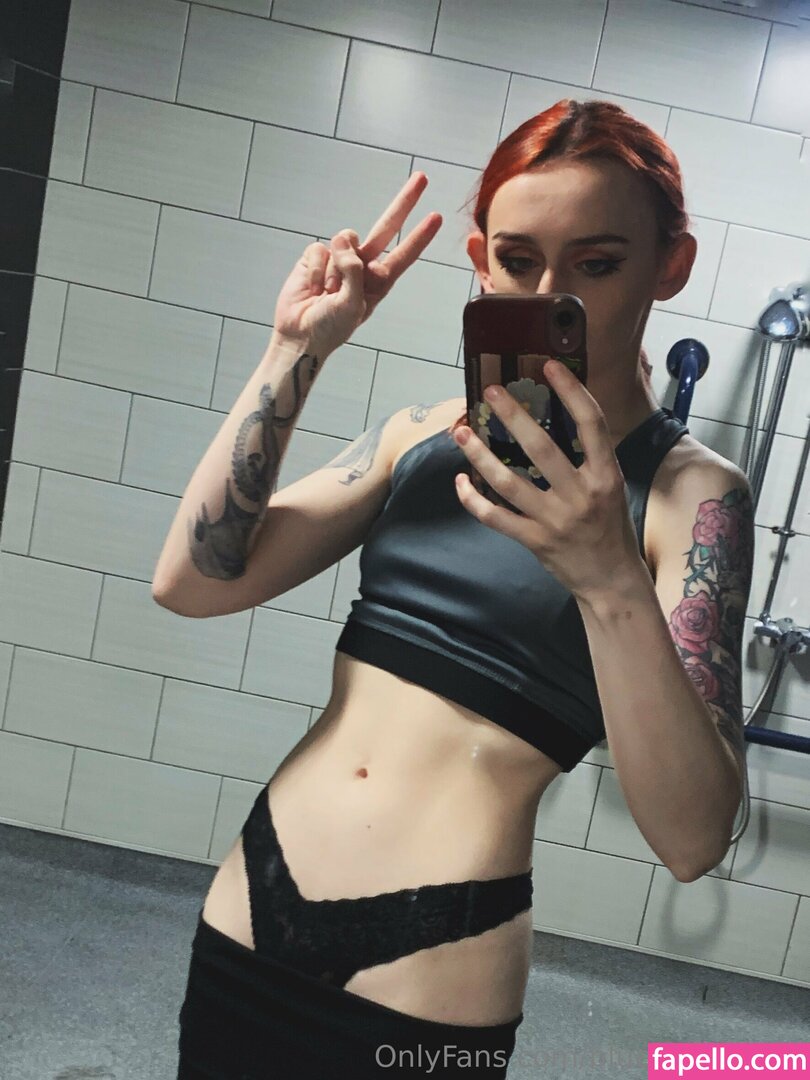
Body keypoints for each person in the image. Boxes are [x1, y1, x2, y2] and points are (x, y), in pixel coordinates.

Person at [159, 99, 754, 1078]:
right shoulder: (424, 436)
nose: (553, 296)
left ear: (670, 265)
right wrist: (297, 348)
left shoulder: (691, 496)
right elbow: (191, 582)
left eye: (598, 264)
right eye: (519, 261)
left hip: (434, 959)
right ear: (480, 260)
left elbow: (693, 839)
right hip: (253, 902)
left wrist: (608, 575)